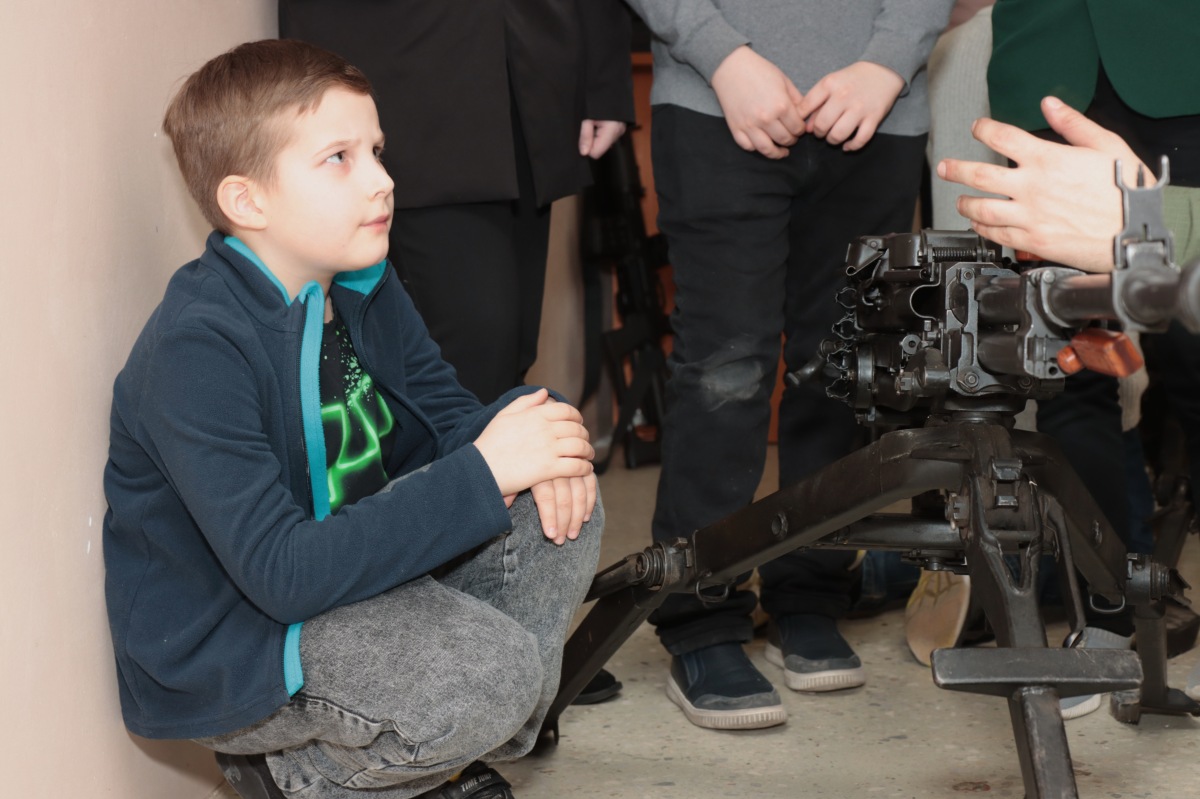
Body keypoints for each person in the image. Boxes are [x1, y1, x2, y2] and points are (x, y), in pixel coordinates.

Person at [102, 40, 603, 799]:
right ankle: (305, 776)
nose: (382, 180)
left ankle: (446, 749)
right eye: (339, 158)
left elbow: (447, 424)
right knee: (494, 674)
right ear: (247, 201)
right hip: (248, 643)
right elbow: (283, 575)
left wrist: (542, 427)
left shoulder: (362, 280)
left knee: (561, 490)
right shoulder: (198, 347)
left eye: (376, 150)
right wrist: (490, 467)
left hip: (353, 577)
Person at [622, 0, 955, 730]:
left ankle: (810, 593)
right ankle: (701, 616)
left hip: (876, 110)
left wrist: (886, 63)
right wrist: (722, 55)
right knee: (726, 372)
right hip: (717, 102)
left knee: (841, 369)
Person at [938, 94, 1200, 704]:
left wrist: (1162, 221)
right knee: (1062, 376)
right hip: (1053, 83)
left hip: (1180, 89)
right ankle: (1103, 615)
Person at [277, 1, 635, 405]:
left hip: (530, 68)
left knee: (510, 354)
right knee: (471, 352)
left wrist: (604, 75)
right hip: (409, 69)